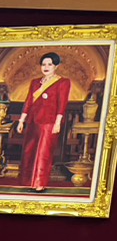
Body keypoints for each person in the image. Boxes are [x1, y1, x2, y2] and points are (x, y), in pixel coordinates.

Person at [15, 51, 70, 192]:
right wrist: (21, 120)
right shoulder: (35, 82)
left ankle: (39, 184)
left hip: (49, 122)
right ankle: (28, 182)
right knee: (29, 151)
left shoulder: (63, 82)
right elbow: (29, 102)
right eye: (43, 64)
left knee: (43, 153)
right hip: (33, 121)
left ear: (56, 66)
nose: (46, 67)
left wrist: (58, 123)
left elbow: (62, 103)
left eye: (49, 64)